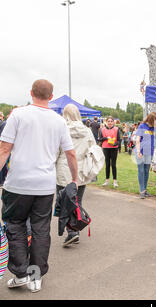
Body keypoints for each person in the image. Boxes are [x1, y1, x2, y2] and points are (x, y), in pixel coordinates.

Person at [0, 79, 78, 293]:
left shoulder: (18, 114)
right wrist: (74, 178)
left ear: (31, 92)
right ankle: (35, 276)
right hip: (44, 186)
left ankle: (21, 273)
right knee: (40, 229)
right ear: (51, 97)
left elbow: (4, 148)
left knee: (15, 225)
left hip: (18, 184)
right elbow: (70, 153)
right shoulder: (58, 120)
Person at [56, 104, 97, 247]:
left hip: (64, 168)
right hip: (81, 169)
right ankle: (75, 228)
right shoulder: (87, 131)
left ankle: (71, 231)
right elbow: (93, 149)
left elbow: (57, 150)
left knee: (64, 201)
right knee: (77, 201)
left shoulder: (61, 130)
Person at [135, 112, 156, 199]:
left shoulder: (154, 128)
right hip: (140, 152)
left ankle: (144, 190)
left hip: (149, 152)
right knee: (141, 171)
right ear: (152, 119)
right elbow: (137, 140)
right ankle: (142, 190)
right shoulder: (142, 126)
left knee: (146, 171)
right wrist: (138, 151)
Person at [99, 116, 121, 188]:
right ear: (106, 122)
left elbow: (118, 140)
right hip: (105, 148)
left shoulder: (117, 129)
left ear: (113, 122)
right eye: (108, 121)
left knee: (113, 165)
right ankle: (107, 181)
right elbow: (100, 139)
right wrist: (106, 138)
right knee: (107, 164)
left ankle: (115, 181)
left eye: (111, 121)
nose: (110, 122)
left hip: (114, 148)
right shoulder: (102, 129)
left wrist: (115, 144)